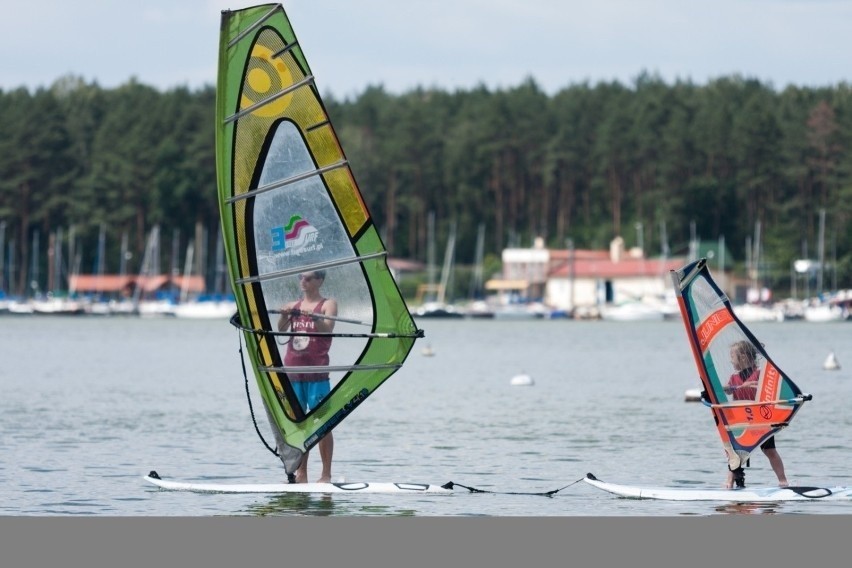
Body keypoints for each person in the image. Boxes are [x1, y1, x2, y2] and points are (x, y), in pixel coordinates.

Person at [277, 270, 338, 483]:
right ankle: (301, 473)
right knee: (299, 424)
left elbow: (327, 329)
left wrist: (315, 318)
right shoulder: (293, 305)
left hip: (317, 374)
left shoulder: (328, 304)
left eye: (309, 278)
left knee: (323, 425)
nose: (304, 281)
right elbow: (281, 329)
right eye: (301, 277)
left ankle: (326, 474)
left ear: (320, 280)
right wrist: (285, 315)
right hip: (293, 373)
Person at [722, 340, 789, 489]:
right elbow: (726, 389)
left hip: (760, 420)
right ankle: (729, 482)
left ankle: (783, 480)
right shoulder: (734, 378)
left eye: (732, 357)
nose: (731, 361)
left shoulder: (759, 374)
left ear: (744, 357)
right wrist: (738, 386)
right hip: (741, 422)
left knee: (770, 450)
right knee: (734, 454)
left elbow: (769, 386)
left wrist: (751, 385)